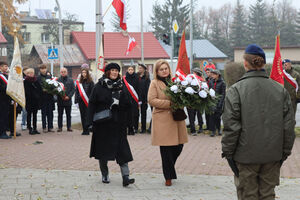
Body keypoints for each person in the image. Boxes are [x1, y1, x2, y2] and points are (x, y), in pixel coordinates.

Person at [221, 44, 295, 200]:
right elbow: (288, 126)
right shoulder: (279, 90)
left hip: (245, 156)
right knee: (268, 195)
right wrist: (284, 152)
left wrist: (228, 153)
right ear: (262, 63)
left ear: (246, 63)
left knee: (248, 196)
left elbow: (231, 127)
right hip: (272, 154)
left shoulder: (236, 90)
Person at [87, 63, 135, 187]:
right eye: (112, 70)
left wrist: (130, 124)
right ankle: (105, 173)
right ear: (108, 72)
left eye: (116, 71)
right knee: (103, 152)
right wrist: (89, 123)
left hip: (119, 124)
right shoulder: (99, 86)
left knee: (122, 151)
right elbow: (92, 104)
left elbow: (129, 105)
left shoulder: (122, 86)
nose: (114, 73)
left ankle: (126, 177)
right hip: (103, 125)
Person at [148, 59, 188, 186]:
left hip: (176, 119)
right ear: (157, 71)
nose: (164, 71)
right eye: (161, 69)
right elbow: (152, 100)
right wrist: (170, 104)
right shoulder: (154, 83)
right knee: (166, 150)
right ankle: (168, 177)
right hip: (163, 120)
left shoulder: (176, 81)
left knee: (179, 146)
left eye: (166, 68)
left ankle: (170, 169)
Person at [75, 68, 94, 135]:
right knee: (82, 115)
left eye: (85, 72)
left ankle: (88, 129)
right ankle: (84, 130)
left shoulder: (91, 82)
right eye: (82, 72)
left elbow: (92, 92)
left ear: (87, 74)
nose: (84, 74)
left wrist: (91, 101)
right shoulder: (79, 83)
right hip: (81, 101)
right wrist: (76, 101)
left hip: (88, 101)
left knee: (87, 115)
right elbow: (77, 92)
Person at [24, 68, 42, 135]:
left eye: (32, 73)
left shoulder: (36, 80)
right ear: (27, 74)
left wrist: (38, 96)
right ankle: (30, 128)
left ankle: (35, 128)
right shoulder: (25, 81)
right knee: (29, 114)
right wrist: (34, 95)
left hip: (36, 101)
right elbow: (26, 92)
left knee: (35, 115)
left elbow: (40, 89)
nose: (31, 74)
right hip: (29, 100)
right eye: (29, 73)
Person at [37, 64, 55, 133]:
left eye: (44, 68)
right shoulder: (38, 77)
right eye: (42, 69)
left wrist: (52, 90)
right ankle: (44, 127)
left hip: (50, 97)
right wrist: (42, 89)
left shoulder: (49, 76)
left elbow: (53, 85)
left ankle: (50, 127)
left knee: (50, 113)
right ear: (40, 70)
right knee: (43, 113)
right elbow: (38, 87)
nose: (43, 70)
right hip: (42, 98)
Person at [57, 67, 75, 132]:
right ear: (60, 72)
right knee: (60, 115)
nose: (63, 73)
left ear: (67, 72)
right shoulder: (58, 80)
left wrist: (69, 96)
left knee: (68, 115)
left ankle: (69, 127)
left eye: (64, 72)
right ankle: (60, 127)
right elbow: (56, 90)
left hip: (68, 100)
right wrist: (61, 95)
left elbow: (73, 90)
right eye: (62, 72)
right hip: (60, 100)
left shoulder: (70, 80)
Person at [209, 69, 226, 137]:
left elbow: (223, 94)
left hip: (219, 102)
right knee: (212, 117)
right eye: (212, 74)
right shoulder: (211, 82)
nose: (212, 76)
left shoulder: (222, 83)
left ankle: (219, 129)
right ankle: (213, 131)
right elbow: (209, 90)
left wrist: (220, 103)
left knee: (217, 117)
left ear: (218, 75)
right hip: (212, 102)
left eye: (213, 74)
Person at [187, 68, 204, 136]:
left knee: (198, 115)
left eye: (193, 72)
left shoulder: (201, 80)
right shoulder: (190, 79)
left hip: (198, 100)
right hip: (191, 100)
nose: (192, 74)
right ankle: (193, 129)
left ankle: (199, 127)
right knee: (192, 115)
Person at [124, 66, 139, 135]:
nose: (130, 71)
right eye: (129, 69)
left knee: (135, 114)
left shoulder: (136, 78)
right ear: (127, 70)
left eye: (132, 69)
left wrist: (139, 99)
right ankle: (128, 127)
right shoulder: (124, 78)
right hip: (127, 99)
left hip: (135, 98)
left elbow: (139, 89)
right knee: (127, 114)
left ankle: (135, 127)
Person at [137, 63, 150, 133]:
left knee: (143, 113)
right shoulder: (136, 76)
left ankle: (143, 128)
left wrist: (147, 98)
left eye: (141, 68)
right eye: (139, 68)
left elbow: (148, 88)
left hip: (144, 98)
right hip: (136, 97)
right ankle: (135, 127)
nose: (139, 69)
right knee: (136, 113)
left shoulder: (147, 78)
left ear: (144, 69)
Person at [0, 61, 11, 139]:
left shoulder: (6, 76)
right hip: (1, 99)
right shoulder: (1, 76)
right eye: (4, 66)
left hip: (6, 99)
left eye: (7, 66)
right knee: (2, 116)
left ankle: (4, 131)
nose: (6, 68)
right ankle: (2, 133)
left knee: (5, 116)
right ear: (0, 67)